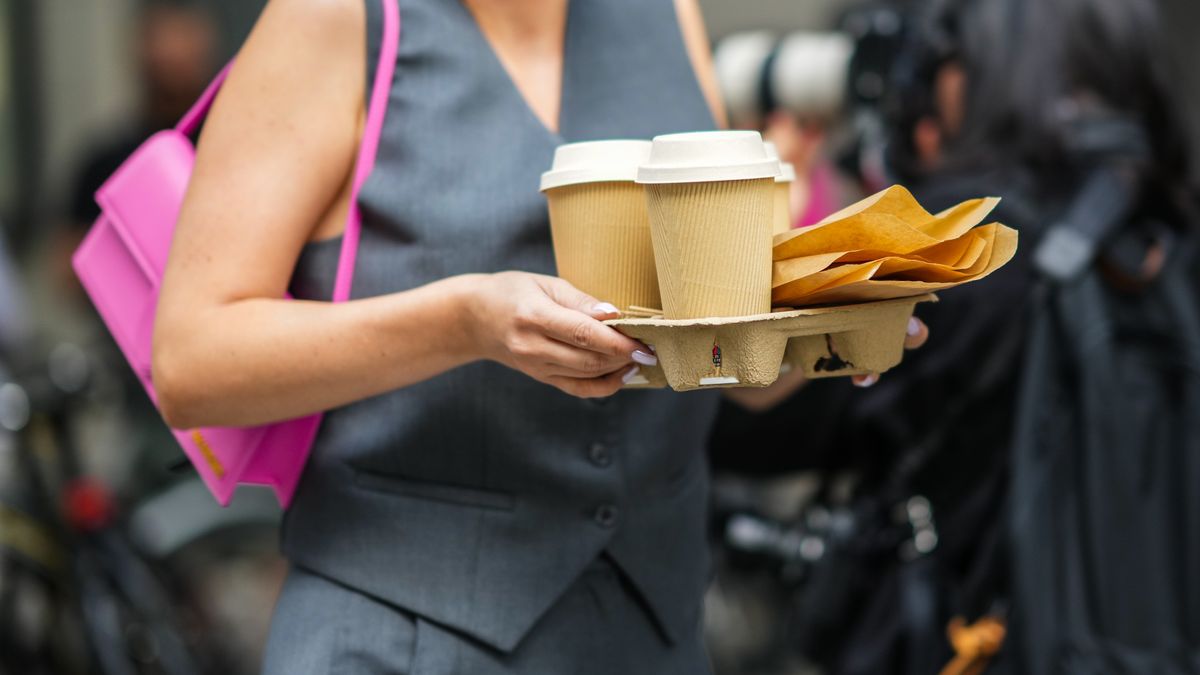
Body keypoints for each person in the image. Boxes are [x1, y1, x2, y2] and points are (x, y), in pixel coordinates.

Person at [153, 0, 928, 672]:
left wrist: (829, 320)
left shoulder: (666, 13)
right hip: (404, 632)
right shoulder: (337, 20)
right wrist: (464, 322)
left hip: (650, 628)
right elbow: (192, 360)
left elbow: (719, 355)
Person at [709, 0, 1199, 672]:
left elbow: (756, 430)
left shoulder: (963, 246)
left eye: (941, 56)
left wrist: (780, 247)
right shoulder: (1161, 225)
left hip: (982, 634)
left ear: (986, 69)